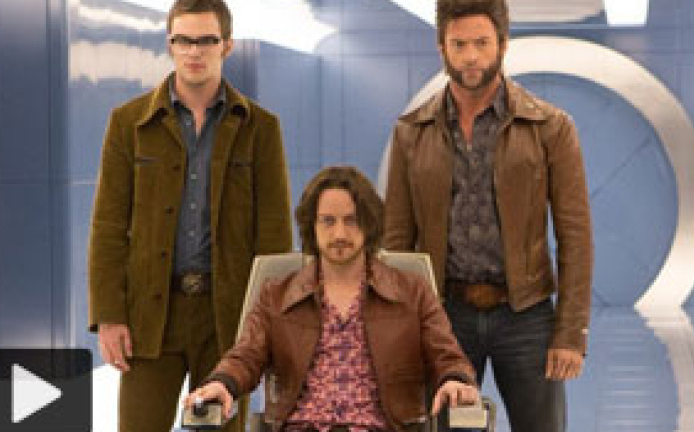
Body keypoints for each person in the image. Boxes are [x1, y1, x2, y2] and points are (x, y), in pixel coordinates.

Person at [383, 0, 593, 431]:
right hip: (443, 315)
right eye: (459, 44)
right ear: (441, 47)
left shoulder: (550, 127)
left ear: (503, 44)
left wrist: (571, 333)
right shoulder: (411, 132)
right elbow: (397, 241)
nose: (471, 56)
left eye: (482, 43)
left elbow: (575, 235)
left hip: (527, 314)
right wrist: (397, 330)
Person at [87, 0, 292, 430]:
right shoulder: (129, 124)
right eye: (183, 40)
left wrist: (268, 325)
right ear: (170, 44)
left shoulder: (260, 128)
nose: (194, 51)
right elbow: (108, 226)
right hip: (149, 316)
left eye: (206, 41)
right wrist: (109, 315)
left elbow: (273, 237)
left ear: (227, 46)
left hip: (227, 318)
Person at [185, 166, 479, 432]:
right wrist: (222, 383)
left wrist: (455, 379)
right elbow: (246, 356)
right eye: (328, 221)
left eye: (351, 221)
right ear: (312, 227)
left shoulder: (413, 292)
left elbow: (447, 355)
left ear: (369, 224)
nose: (339, 233)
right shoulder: (276, 295)